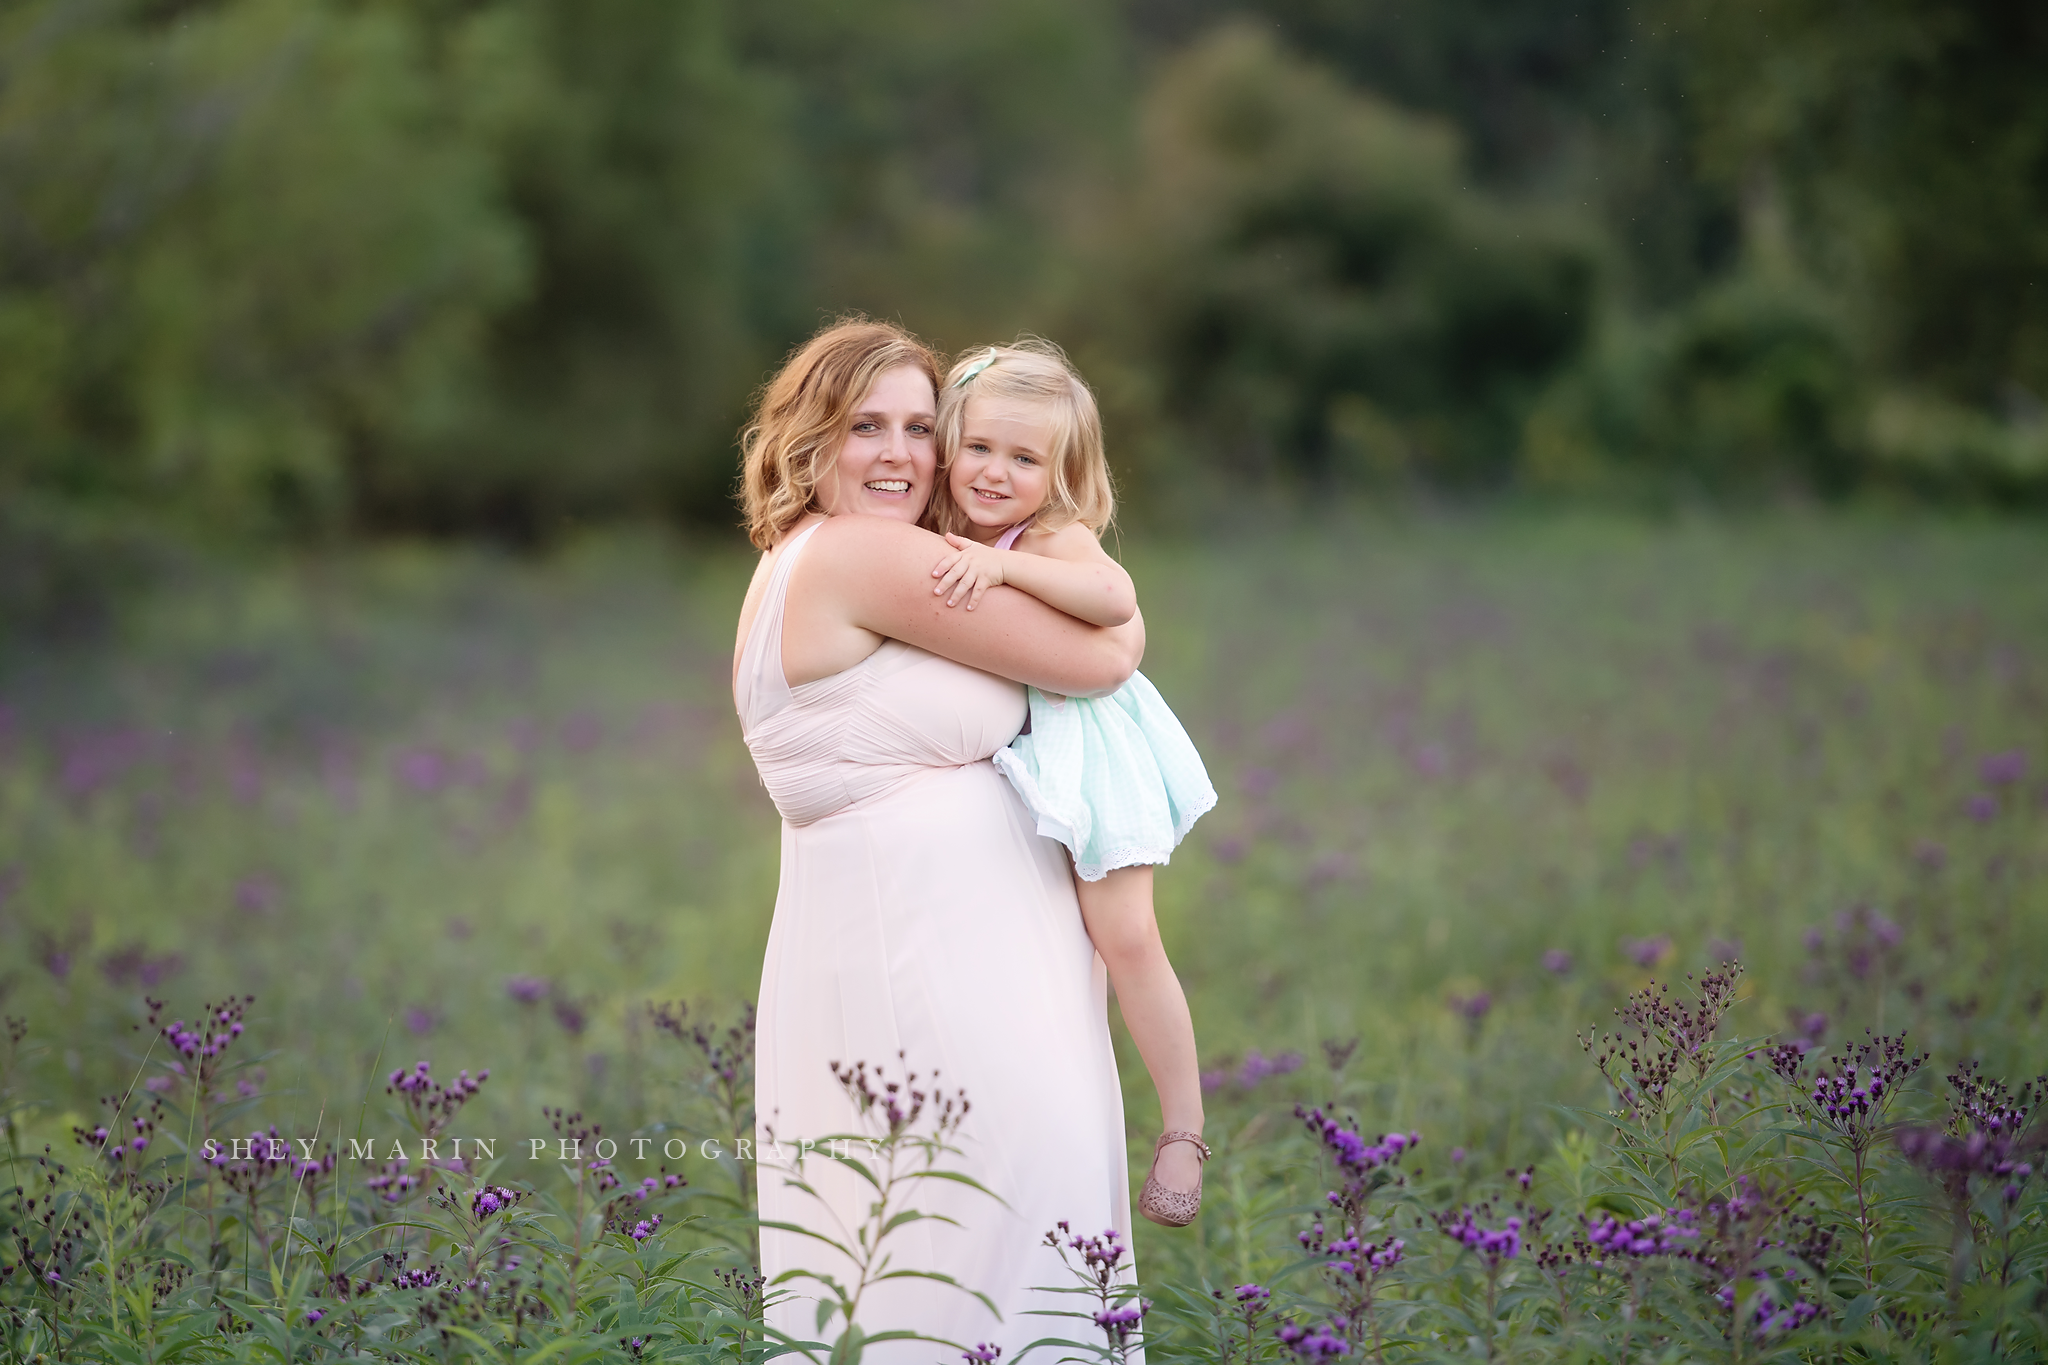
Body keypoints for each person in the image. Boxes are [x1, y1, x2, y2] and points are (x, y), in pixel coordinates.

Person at [731, 318, 1148, 1355]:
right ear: (808, 439)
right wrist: (1124, 621)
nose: (900, 455)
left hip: (916, 957)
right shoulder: (867, 552)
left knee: (930, 1260)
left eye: (922, 427)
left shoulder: (800, 557)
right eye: (864, 425)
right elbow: (1098, 662)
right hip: (932, 977)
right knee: (976, 1242)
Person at [926, 340, 1216, 1227]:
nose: (995, 472)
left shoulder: (1050, 535)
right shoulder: (938, 529)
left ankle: (1183, 1129)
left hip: (1089, 752)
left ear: (1059, 474)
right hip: (1021, 754)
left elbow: (1113, 596)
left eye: (1024, 458)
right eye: (979, 448)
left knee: (1124, 936)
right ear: (948, 442)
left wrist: (1009, 565)